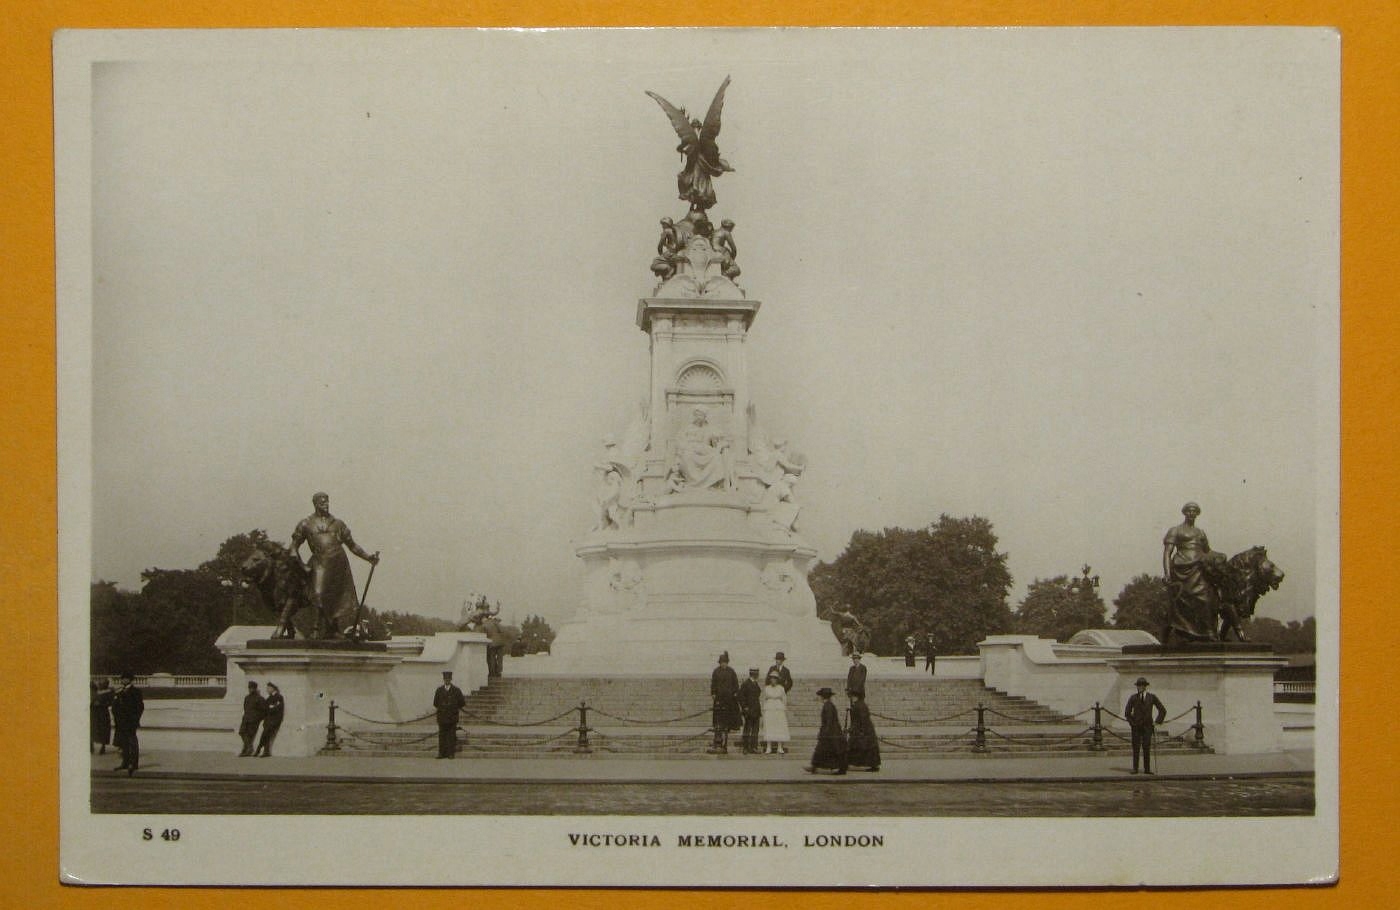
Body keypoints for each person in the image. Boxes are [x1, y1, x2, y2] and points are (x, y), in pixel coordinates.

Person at [290, 492, 380, 638]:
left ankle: (333, 630)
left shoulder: (338, 524)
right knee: (317, 593)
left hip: (338, 563)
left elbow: (352, 545)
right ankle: (315, 629)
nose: (325, 505)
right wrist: (300, 563)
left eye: (327, 502)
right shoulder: (305, 523)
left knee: (337, 597)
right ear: (315, 504)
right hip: (319, 562)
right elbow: (294, 546)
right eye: (322, 502)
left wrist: (368, 557)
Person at [1162, 501, 1219, 642]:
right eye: (1189, 511)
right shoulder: (1175, 530)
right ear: (1184, 512)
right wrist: (1167, 574)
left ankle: (1208, 632)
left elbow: (1208, 551)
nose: (1191, 513)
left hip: (1199, 569)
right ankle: (1187, 633)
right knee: (1183, 603)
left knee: (1206, 598)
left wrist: (1220, 557)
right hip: (1181, 570)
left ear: (1197, 514)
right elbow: (1167, 553)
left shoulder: (1201, 533)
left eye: (1194, 511)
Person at [1124, 677, 1167, 774]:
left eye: (1141, 685)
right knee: (1136, 747)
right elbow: (1127, 713)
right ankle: (1135, 768)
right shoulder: (1133, 698)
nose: (1139, 687)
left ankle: (1147, 769)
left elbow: (1162, 710)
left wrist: (1157, 721)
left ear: (1145, 686)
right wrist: (1132, 723)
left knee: (1146, 747)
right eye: (1138, 685)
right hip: (1136, 727)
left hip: (1148, 727)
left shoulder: (1152, 697)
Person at [804, 687, 847, 775]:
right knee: (824, 750)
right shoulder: (829, 705)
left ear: (823, 697)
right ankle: (814, 766)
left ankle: (815, 767)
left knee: (828, 750)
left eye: (820, 696)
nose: (819, 698)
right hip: (832, 732)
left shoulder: (828, 706)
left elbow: (829, 721)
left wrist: (824, 733)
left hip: (831, 733)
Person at [110, 672, 144, 775]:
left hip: (130, 721)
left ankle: (133, 764)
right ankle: (125, 762)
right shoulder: (119, 692)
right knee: (124, 742)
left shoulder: (136, 692)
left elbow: (140, 707)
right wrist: (116, 717)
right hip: (121, 721)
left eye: (125, 678)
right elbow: (115, 706)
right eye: (122, 678)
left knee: (132, 742)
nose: (123, 680)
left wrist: (135, 719)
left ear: (130, 680)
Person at [708, 651, 741, 754]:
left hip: (729, 701)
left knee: (727, 723)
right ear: (720, 663)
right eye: (722, 662)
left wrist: (735, 693)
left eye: (725, 662)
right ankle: (717, 742)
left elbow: (735, 684)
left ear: (727, 663)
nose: (724, 664)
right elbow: (713, 684)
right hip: (719, 700)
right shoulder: (716, 671)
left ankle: (724, 743)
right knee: (718, 722)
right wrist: (713, 693)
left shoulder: (731, 671)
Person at [433, 671, 467, 759]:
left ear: (451, 679)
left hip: (452, 717)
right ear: (443, 679)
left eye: (448, 679)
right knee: (442, 736)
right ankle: (441, 753)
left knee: (451, 736)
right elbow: (435, 703)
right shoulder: (439, 690)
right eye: (445, 679)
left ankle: (450, 753)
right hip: (442, 717)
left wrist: (453, 708)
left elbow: (462, 702)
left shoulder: (456, 690)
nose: (447, 680)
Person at [845, 691, 881, 772]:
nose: (851, 698)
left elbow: (860, 720)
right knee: (865, 748)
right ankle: (873, 765)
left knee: (859, 747)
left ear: (856, 697)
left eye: (852, 696)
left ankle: (847, 763)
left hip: (863, 730)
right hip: (864, 730)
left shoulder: (858, 706)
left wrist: (853, 729)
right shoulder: (860, 704)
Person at [759, 671, 791, 754]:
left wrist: (784, 709)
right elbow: (763, 700)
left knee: (779, 727)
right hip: (769, 709)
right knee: (769, 727)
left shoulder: (781, 688)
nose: (773, 680)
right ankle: (768, 747)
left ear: (777, 680)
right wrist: (763, 710)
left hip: (778, 709)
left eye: (775, 678)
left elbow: (784, 699)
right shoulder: (767, 688)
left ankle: (779, 747)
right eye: (772, 678)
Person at [238, 681, 268, 756]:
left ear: (255, 688)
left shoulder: (260, 698)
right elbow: (245, 707)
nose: (250, 689)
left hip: (254, 720)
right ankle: (249, 748)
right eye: (249, 688)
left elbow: (264, 710)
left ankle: (246, 749)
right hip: (246, 719)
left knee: (250, 734)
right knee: (241, 732)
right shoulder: (247, 698)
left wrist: (258, 718)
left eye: (252, 688)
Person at [254, 682, 284, 757]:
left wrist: (270, 708)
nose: (267, 690)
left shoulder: (279, 697)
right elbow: (266, 708)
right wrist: (270, 707)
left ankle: (259, 749)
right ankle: (265, 751)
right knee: (266, 733)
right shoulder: (269, 698)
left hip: (275, 720)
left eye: (268, 688)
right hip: (269, 720)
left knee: (266, 732)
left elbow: (277, 708)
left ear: (273, 688)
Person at [737, 668, 763, 754]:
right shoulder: (745, 684)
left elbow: (758, 693)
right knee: (747, 729)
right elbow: (740, 696)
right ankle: (746, 747)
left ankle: (754, 747)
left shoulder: (756, 684)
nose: (757, 675)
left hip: (756, 710)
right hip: (748, 711)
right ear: (753, 674)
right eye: (756, 674)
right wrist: (744, 707)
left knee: (755, 730)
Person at [90, 678, 113, 755]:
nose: (100, 683)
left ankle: (103, 746)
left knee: (103, 729)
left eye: (103, 683)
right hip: (94, 712)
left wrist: (102, 704)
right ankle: (91, 745)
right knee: (93, 728)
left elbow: (111, 702)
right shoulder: (92, 691)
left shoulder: (109, 691)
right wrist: (92, 703)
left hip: (103, 712)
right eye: (100, 682)